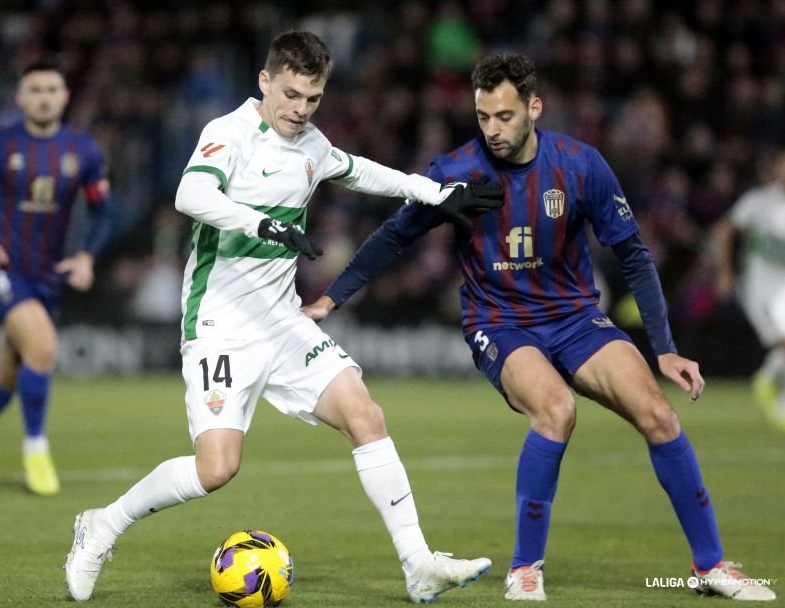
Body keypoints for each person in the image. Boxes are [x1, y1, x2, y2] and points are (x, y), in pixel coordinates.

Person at [304, 53, 776, 602]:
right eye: (483, 117)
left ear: (534, 107)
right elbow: (394, 236)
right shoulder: (455, 173)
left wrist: (665, 349)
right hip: (499, 322)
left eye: (504, 116)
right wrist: (332, 298)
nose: (492, 130)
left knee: (659, 414)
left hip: (575, 317)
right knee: (556, 410)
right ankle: (525, 567)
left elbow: (633, 254)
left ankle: (710, 566)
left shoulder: (579, 165)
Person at [63, 31, 500, 604]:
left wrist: (433, 193)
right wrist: (261, 224)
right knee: (216, 468)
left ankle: (418, 565)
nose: (299, 110)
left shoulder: (311, 144)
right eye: (291, 94)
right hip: (219, 324)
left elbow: (361, 170)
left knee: (365, 414)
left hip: (281, 320)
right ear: (266, 82)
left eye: (313, 99)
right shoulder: (228, 133)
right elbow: (189, 196)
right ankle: (102, 525)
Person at [0, 57, 111, 497]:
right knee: (44, 345)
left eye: (52, 89)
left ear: (66, 95)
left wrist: (87, 257)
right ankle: (35, 448)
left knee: (10, 373)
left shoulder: (84, 151)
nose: (44, 97)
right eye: (35, 90)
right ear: (20, 97)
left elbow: (102, 212)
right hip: (0, 269)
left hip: (44, 275)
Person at [711, 147, 785, 433]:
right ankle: (783, 403)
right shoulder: (759, 201)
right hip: (760, 288)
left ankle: (769, 377)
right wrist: (725, 271)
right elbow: (724, 230)